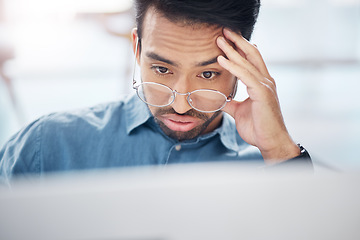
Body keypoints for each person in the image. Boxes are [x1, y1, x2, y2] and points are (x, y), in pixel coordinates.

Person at [0, 0, 311, 183]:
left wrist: (280, 152)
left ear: (242, 65)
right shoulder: (45, 148)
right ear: (137, 50)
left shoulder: (276, 173)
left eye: (207, 74)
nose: (178, 104)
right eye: (162, 69)